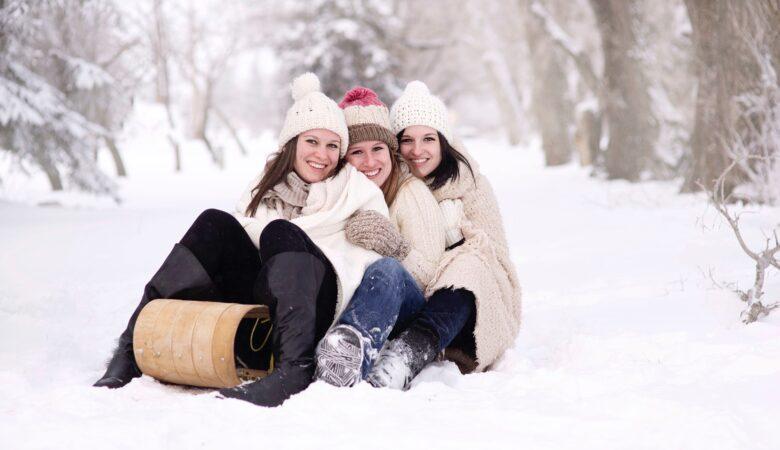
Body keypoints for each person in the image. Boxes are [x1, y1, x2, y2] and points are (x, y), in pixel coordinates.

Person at [94, 73, 387, 407]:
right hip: (265, 302)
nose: (322, 154)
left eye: (332, 145)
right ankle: (130, 349)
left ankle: (295, 369)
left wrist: (289, 240)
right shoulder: (265, 187)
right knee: (214, 221)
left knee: (281, 231)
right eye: (312, 141)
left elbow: (367, 267)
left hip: (320, 303)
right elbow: (245, 238)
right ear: (292, 143)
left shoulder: (357, 192)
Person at [364, 80, 523, 389]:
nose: (417, 150)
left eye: (428, 139)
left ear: (443, 142)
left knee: (470, 264)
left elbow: (497, 258)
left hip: (466, 304)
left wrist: (456, 237)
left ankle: (406, 356)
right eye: (407, 140)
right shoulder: (391, 183)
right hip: (411, 294)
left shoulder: (470, 184)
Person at [312, 86, 447, 387]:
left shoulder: (409, 193)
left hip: (407, 310)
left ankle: (347, 353)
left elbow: (433, 278)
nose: (370, 161)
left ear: (390, 151)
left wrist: (395, 247)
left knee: (386, 269)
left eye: (378, 149)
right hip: (354, 300)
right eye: (357, 152)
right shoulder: (342, 194)